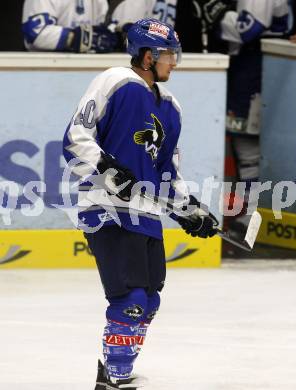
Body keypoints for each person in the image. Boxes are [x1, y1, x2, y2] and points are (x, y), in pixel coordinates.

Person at [62, 18, 218, 389]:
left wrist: (189, 210)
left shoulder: (172, 107)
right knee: (130, 298)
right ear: (146, 56)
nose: (174, 63)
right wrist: (107, 167)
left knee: (149, 299)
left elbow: (166, 173)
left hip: (146, 214)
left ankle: (119, 371)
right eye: (168, 55)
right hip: (106, 206)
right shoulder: (115, 80)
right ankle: (113, 377)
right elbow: (75, 137)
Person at [194, 0, 293, 231]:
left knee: (249, 142)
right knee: (244, 141)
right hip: (251, 63)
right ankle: (253, 210)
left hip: (256, 65)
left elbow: (250, 29)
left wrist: (220, 16)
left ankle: (256, 213)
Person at [22, 0, 121, 53]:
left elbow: (103, 33)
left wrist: (119, 36)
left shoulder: (99, 2)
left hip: (85, 68)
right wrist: (74, 38)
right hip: (46, 68)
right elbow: (35, 33)